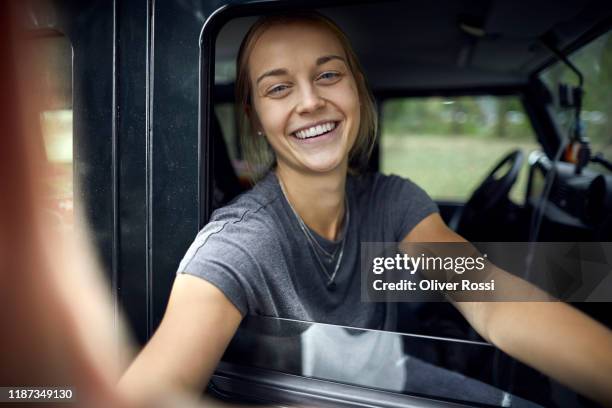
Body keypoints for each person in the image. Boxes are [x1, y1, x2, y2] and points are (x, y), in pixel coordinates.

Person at [119, 12, 612, 405]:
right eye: (278, 87)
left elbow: (485, 296)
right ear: (255, 114)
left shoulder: (393, 200)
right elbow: (152, 392)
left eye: (328, 74)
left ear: (355, 86)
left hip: (385, 380)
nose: (310, 101)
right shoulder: (242, 241)